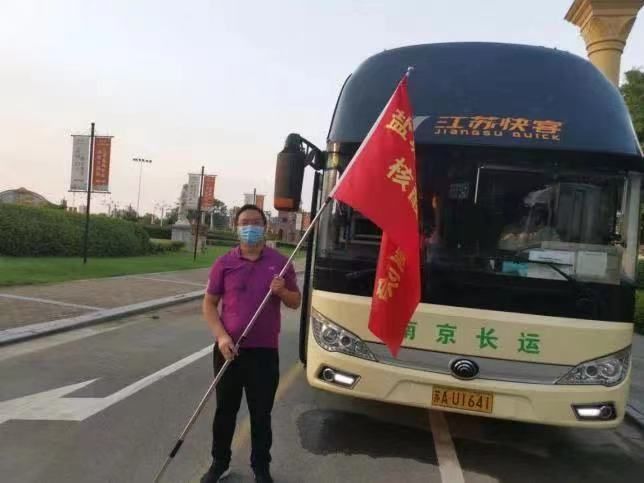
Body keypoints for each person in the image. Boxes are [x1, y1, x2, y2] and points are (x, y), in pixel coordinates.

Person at [201, 204, 301, 483]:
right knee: (225, 411)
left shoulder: (281, 263)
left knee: (261, 414)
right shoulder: (224, 263)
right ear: (236, 226)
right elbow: (209, 305)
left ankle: (261, 467)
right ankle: (219, 462)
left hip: (264, 353)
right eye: (245, 222)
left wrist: (282, 292)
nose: (250, 227)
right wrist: (221, 336)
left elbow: (296, 302)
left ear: (265, 226)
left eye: (256, 222)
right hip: (228, 351)